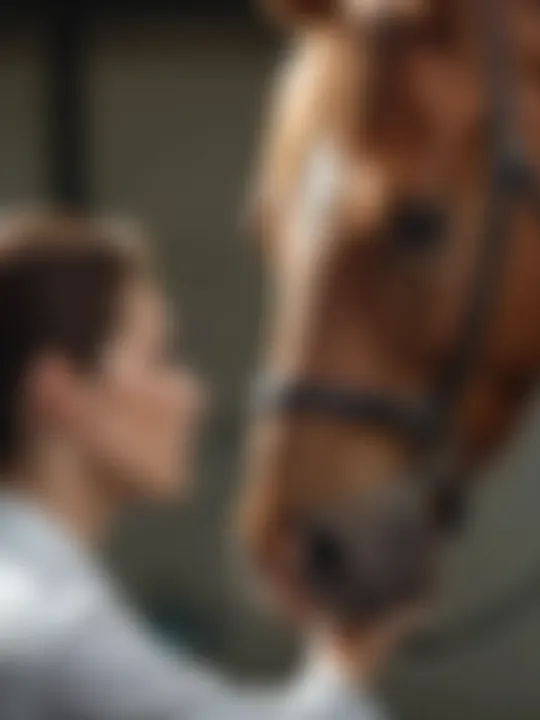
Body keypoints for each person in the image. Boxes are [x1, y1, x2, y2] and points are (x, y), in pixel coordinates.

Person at [0, 209, 409, 720]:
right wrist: (354, 648)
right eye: (159, 358)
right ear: (59, 392)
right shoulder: (54, 633)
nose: (193, 396)